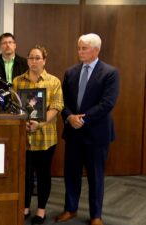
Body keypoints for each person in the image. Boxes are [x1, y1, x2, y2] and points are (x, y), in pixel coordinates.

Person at [55, 33, 119, 225]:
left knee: (96, 176)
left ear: (96, 50)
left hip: (97, 134)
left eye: (84, 48)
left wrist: (82, 119)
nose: (79, 52)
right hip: (73, 133)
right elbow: (61, 101)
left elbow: (107, 103)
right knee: (71, 174)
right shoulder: (71, 72)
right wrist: (69, 117)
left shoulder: (110, 73)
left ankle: (96, 216)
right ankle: (70, 209)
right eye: (79, 48)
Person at [13, 45, 63, 225]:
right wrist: (23, 122)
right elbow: (14, 107)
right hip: (24, 137)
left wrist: (39, 124)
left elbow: (57, 107)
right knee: (24, 175)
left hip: (45, 138)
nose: (34, 61)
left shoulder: (53, 81)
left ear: (44, 60)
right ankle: (25, 206)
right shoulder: (18, 81)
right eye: (31, 58)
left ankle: (41, 209)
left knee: (43, 175)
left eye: (37, 58)